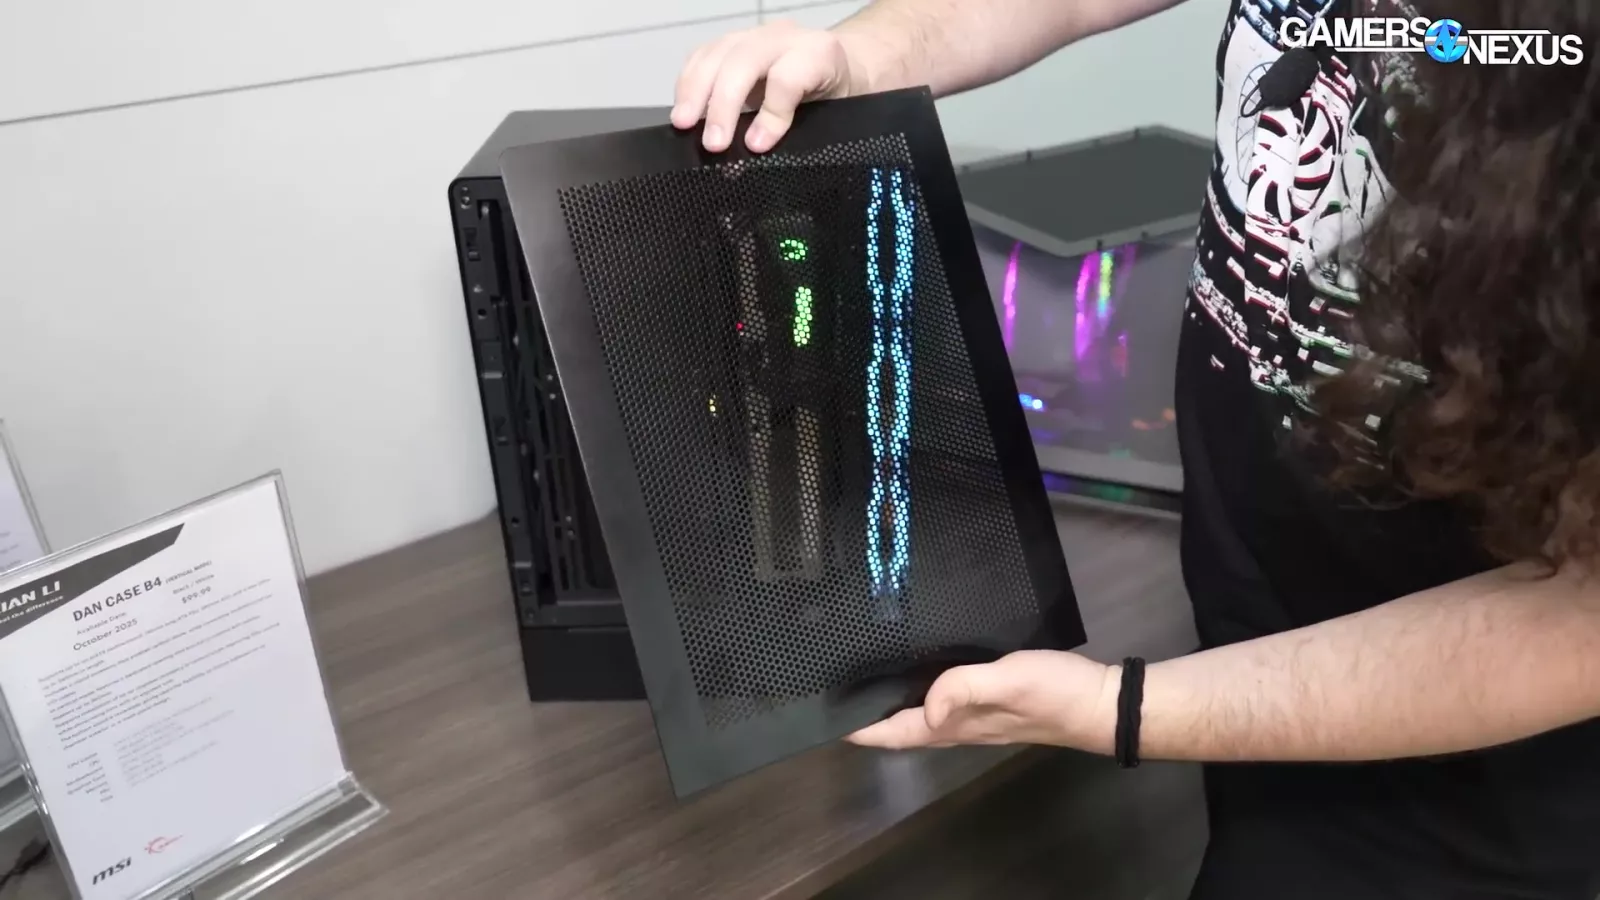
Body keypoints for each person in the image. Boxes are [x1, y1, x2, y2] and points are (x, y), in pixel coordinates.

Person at [673, 1, 1600, 898]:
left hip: (1484, 791)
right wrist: (864, 58)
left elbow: (1581, 623)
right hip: (1262, 671)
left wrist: (1122, 708)